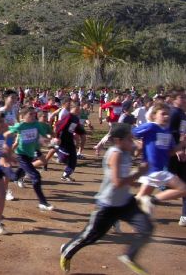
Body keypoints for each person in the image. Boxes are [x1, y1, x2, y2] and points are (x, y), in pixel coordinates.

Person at [59, 123, 152, 275]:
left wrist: (136, 178)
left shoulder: (126, 151)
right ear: (118, 140)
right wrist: (138, 174)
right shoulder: (114, 154)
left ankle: (129, 256)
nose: (133, 142)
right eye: (130, 139)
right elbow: (117, 182)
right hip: (108, 204)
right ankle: (66, 251)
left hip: (126, 202)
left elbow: (125, 178)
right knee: (90, 236)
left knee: (146, 228)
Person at [133, 102, 186, 216]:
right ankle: (152, 200)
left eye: (168, 115)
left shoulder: (168, 132)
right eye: (163, 114)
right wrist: (139, 145)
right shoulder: (151, 126)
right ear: (154, 115)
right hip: (153, 170)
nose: (166, 117)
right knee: (183, 189)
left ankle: (115, 214)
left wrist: (182, 143)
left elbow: (170, 152)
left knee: (139, 198)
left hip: (157, 170)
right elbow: (132, 134)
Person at [4, 106, 54, 211]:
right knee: (36, 176)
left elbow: (43, 138)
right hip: (21, 155)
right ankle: (43, 202)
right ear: (23, 116)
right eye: (30, 114)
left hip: (30, 155)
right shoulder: (21, 125)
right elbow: (7, 133)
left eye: (33, 114)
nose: (33, 116)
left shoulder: (37, 124)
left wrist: (51, 141)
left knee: (15, 177)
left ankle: (6, 171)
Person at [167, 89, 186, 226]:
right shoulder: (174, 113)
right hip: (174, 154)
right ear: (174, 99)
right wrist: (178, 150)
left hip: (181, 153)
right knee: (160, 181)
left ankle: (184, 215)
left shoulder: (182, 114)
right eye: (181, 97)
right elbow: (169, 133)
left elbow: (182, 133)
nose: (184, 99)